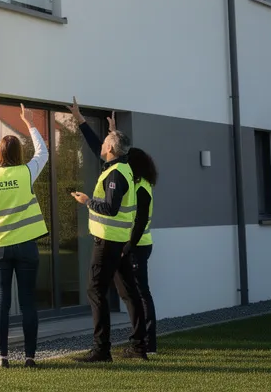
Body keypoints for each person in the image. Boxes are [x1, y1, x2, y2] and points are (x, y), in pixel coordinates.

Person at [66, 97, 141, 363]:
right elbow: (95, 144)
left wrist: (88, 202)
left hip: (108, 242)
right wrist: (81, 119)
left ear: (111, 148)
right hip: (118, 242)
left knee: (96, 291)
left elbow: (109, 208)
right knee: (127, 291)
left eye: (106, 142)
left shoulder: (116, 174)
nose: (102, 145)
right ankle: (139, 346)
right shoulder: (120, 166)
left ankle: (101, 350)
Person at [0, 104, 49, 369]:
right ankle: (30, 358)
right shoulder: (27, 172)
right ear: (19, 153)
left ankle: (3, 358)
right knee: (29, 300)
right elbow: (43, 153)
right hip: (27, 246)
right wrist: (29, 123)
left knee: (1, 300)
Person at [118, 146, 158, 358]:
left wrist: (128, 246)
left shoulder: (141, 187)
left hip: (138, 246)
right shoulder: (140, 185)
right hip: (139, 244)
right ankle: (143, 342)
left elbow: (141, 220)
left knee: (142, 294)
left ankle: (147, 344)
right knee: (139, 293)